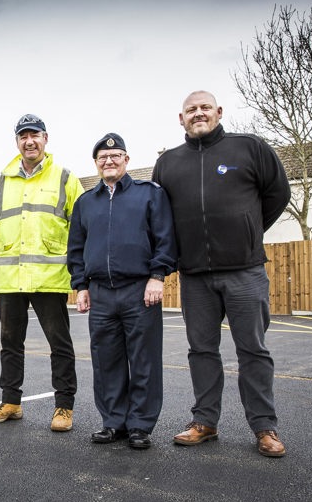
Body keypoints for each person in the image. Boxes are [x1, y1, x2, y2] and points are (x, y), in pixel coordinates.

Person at [152, 90, 291, 457]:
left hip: (245, 272)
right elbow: (160, 218)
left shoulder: (250, 148)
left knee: (253, 351)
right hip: (195, 276)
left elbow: (278, 193)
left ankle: (265, 428)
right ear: (180, 118)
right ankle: (205, 422)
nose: (198, 114)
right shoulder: (168, 164)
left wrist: (248, 231)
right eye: (190, 110)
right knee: (201, 351)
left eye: (204, 108)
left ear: (219, 112)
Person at [67, 133, 177, 449]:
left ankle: (140, 426)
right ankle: (114, 423)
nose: (109, 161)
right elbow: (76, 249)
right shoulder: (85, 202)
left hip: (139, 290)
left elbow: (165, 239)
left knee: (144, 360)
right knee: (106, 360)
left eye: (116, 156)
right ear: (96, 163)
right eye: (103, 157)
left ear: (126, 160)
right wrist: (81, 286)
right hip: (100, 293)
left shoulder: (149, 195)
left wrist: (158, 276)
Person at [0, 114, 83, 431]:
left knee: (60, 344)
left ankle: (64, 407)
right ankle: (11, 402)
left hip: (49, 278)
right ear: (17, 142)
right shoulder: (1, 182)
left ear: (46, 139)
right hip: (12, 278)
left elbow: (80, 225)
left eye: (35, 135)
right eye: (24, 136)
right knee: (10, 343)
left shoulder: (65, 178)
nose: (30, 141)